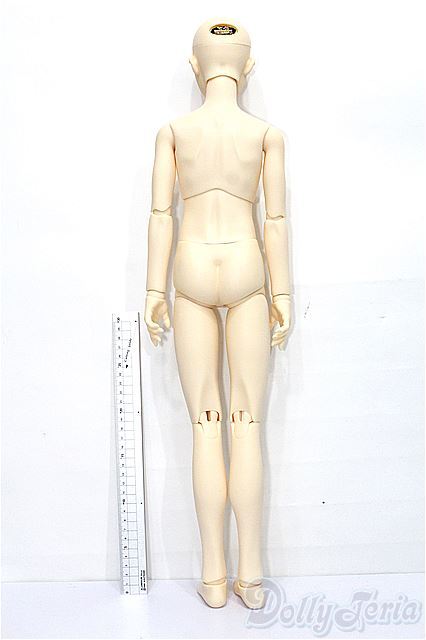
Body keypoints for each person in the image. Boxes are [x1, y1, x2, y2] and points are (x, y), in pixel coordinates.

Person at [144, 18, 292, 609]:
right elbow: (275, 221)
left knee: (205, 424)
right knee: (246, 423)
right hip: (248, 268)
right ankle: (249, 577)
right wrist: (283, 294)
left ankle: (212, 576)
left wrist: (153, 289)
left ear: (195, 66)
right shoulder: (266, 135)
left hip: (190, 267)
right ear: (248, 67)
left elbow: (161, 215)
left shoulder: (173, 133)